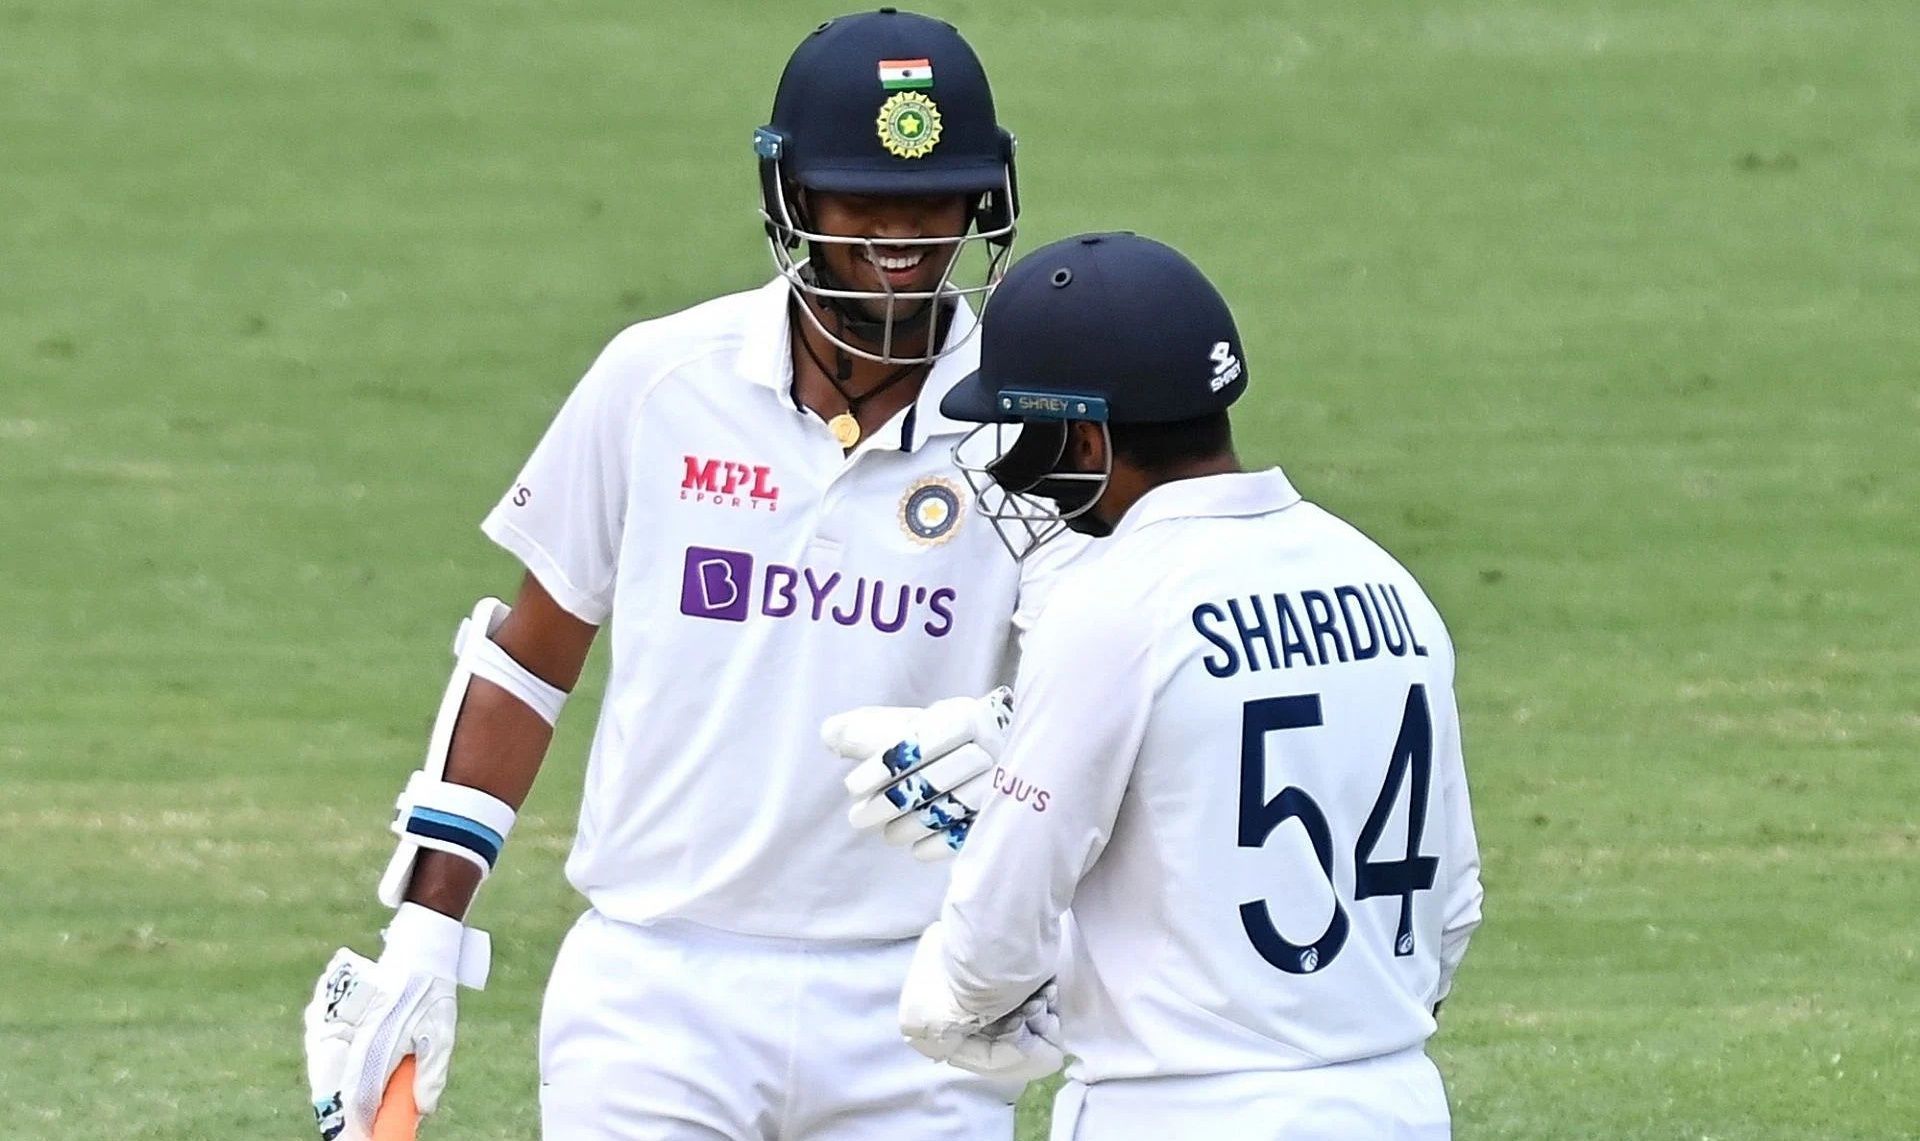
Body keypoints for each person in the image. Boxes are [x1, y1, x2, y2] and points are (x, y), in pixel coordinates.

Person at [301, 10, 1075, 1139]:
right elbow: (528, 660)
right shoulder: (659, 380)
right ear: (793, 198)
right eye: (861, 193)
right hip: (657, 992)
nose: (903, 229)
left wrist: (1020, 741)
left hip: (920, 1003)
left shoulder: (1039, 420)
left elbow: (1101, 673)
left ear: (986, 198)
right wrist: (422, 934)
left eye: (939, 193)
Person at [888, 232, 1485, 1139]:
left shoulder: (1115, 600)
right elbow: (1456, 901)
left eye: (1026, 429)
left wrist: (959, 991)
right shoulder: (1389, 584)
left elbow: (1009, 905)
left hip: (1179, 1108)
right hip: (1391, 1098)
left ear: (1085, 434)